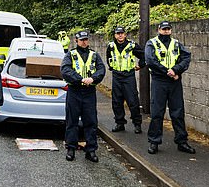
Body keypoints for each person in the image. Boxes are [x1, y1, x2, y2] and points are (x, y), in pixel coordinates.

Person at [145, 21, 195, 155]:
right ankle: (154, 141)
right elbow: (150, 60)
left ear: (171, 30)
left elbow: (186, 57)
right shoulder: (152, 43)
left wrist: (176, 70)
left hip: (174, 82)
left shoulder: (176, 43)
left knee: (178, 112)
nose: (166, 31)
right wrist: (168, 71)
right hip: (159, 81)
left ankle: (181, 142)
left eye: (168, 29)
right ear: (159, 29)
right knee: (157, 112)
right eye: (163, 29)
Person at [60, 30, 106, 162]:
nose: (84, 42)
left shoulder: (94, 55)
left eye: (86, 39)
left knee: (91, 121)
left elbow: (101, 70)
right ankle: (71, 148)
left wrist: (93, 79)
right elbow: (65, 70)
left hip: (89, 92)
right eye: (81, 40)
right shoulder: (70, 55)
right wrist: (80, 79)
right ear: (76, 41)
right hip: (74, 91)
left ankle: (91, 150)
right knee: (72, 121)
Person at [106, 26, 145, 134]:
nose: (120, 35)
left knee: (133, 101)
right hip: (117, 76)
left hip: (128, 76)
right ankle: (120, 123)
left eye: (122, 33)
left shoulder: (132, 45)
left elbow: (143, 55)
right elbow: (108, 58)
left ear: (125, 34)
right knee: (116, 101)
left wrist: (141, 65)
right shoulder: (111, 46)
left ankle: (137, 124)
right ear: (115, 35)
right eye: (118, 33)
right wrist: (112, 67)